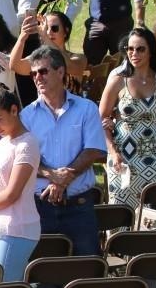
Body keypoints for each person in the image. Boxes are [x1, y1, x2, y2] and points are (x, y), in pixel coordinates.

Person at [20, 46, 108, 256]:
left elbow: (94, 150)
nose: (37, 78)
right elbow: (22, 159)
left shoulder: (87, 108)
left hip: (79, 204)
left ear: (60, 72)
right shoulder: (26, 115)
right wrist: (52, 175)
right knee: (43, 270)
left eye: (43, 71)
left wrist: (62, 179)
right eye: (33, 74)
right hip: (40, 206)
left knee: (88, 267)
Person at [0, 87, 42, 280]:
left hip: (17, 228)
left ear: (14, 110)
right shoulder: (2, 143)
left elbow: (12, 194)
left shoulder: (27, 144)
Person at [99, 27, 156, 208]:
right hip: (121, 155)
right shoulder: (118, 80)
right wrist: (113, 152)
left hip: (153, 156)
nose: (134, 53)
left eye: (140, 49)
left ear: (151, 51)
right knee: (120, 211)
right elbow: (100, 119)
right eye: (130, 49)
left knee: (152, 213)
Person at [84, 0, 146, 65]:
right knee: (91, 66)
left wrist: (140, 23)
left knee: (124, 66)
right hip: (96, 22)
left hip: (121, 22)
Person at [9, 12, 88, 94]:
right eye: (46, 28)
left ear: (66, 32)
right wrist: (22, 37)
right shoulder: (39, 59)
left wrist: (45, 37)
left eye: (54, 28)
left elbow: (67, 65)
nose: (49, 32)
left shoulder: (79, 58)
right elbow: (15, 65)